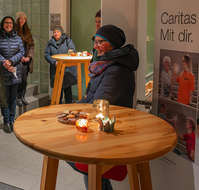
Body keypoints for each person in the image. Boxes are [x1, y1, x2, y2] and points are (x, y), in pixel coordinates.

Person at [72, 24, 139, 190]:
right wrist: (73, 108)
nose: (95, 46)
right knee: (90, 173)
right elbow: (90, 97)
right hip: (100, 129)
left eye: (100, 42)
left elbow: (98, 103)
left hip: (108, 134)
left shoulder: (116, 69)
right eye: (95, 41)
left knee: (82, 163)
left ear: (112, 44)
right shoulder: (105, 64)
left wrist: (74, 110)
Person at [0, 16, 24, 133]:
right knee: (4, 98)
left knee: (13, 98)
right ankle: (6, 121)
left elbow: (21, 52)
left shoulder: (18, 38)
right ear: (2, 24)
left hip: (15, 71)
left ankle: (12, 119)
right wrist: (4, 62)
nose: (8, 25)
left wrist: (10, 61)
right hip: (3, 72)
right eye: (6, 23)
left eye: (10, 23)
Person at [45, 25, 77, 104]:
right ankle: (57, 109)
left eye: (57, 32)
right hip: (55, 70)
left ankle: (69, 109)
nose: (56, 33)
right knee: (58, 91)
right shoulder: (50, 43)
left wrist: (65, 62)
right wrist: (54, 62)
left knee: (67, 89)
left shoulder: (68, 41)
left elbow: (72, 52)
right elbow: (46, 55)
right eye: (54, 32)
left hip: (67, 69)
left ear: (61, 33)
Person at [15, 11, 35, 106]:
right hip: (18, 60)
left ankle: (23, 96)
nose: (22, 20)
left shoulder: (27, 32)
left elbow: (32, 45)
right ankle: (17, 97)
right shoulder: (14, 31)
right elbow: (13, 46)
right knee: (19, 79)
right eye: (20, 18)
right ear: (17, 20)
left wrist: (29, 56)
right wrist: (20, 56)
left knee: (25, 80)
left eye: (24, 19)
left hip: (27, 60)